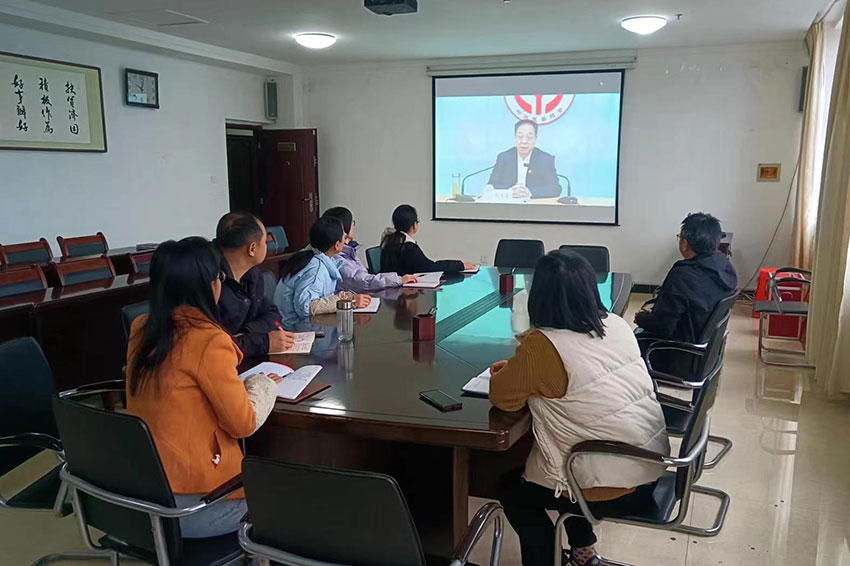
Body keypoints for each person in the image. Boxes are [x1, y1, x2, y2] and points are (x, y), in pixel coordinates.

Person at [491, 251, 670, 566]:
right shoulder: (616, 324)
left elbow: (505, 399)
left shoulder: (542, 345)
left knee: (513, 488)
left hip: (606, 481)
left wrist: (507, 372)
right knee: (566, 460)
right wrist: (524, 370)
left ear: (538, 296)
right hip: (648, 465)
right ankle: (583, 551)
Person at [126, 237, 281, 538]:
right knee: (288, 492)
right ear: (211, 285)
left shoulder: (141, 328)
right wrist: (262, 385)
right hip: (191, 508)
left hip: (142, 492)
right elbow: (244, 423)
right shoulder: (208, 340)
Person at [634, 213, 738, 347]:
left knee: (628, 341)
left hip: (676, 349)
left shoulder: (683, 275)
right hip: (703, 344)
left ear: (684, 244)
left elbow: (663, 327)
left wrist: (641, 318)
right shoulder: (724, 263)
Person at [215, 211, 295, 357]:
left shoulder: (252, 275)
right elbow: (216, 346)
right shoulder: (212, 283)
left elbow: (272, 314)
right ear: (252, 248)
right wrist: (264, 342)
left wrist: (247, 333)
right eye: (264, 242)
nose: (266, 246)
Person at [274, 217, 371, 327]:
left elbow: (320, 296)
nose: (346, 241)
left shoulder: (313, 257)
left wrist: (347, 297)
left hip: (304, 325)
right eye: (344, 237)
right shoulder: (315, 269)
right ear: (337, 245)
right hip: (295, 329)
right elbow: (306, 307)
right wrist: (349, 302)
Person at [321, 206, 419, 292]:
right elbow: (362, 281)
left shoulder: (349, 251)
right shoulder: (337, 258)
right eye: (352, 222)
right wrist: (398, 280)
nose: (353, 226)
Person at [380, 204, 474, 275]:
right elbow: (431, 268)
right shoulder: (409, 248)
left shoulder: (390, 242)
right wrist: (460, 265)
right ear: (414, 225)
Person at [486, 119, 562, 199]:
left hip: (534, 205)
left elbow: (555, 189)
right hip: (509, 204)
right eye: (520, 137)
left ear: (535, 139)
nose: (524, 141)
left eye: (529, 137)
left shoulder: (545, 159)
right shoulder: (504, 158)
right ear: (515, 137)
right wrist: (510, 191)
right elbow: (491, 186)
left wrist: (530, 192)